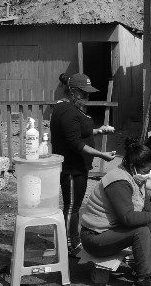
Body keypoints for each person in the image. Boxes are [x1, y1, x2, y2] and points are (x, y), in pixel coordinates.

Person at [79, 139, 151, 286]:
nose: (147, 175)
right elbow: (127, 218)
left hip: (112, 232)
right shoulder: (118, 181)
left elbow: (145, 206)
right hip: (95, 238)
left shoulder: (135, 178)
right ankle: (145, 279)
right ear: (133, 167)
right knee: (140, 231)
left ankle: (149, 266)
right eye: (146, 171)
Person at [50, 73, 116, 254]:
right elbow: (77, 144)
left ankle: (71, 241)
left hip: (78, 167)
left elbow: (78, 133)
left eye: (88, 94)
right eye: (84, 94)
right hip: (72, 168)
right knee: (72, 207)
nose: (87, 98)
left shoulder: (67, 108)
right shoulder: (67, 112)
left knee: (74, 206)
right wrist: (102, 155)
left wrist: (99, 131)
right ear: (73, 92)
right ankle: (69, 245)